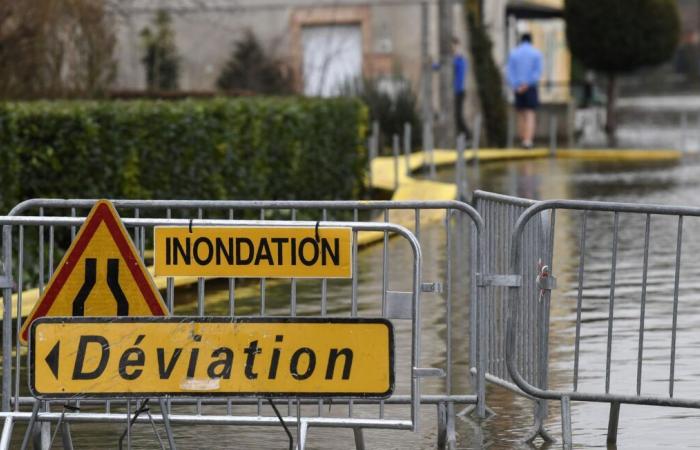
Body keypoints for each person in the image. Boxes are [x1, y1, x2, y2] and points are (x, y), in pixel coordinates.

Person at [507, 33, 543, 149]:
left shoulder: (514, 53)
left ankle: (522, 139)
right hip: (530, 87)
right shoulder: (536, 53)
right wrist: (527, 84)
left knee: (521, 114)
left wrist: (516, 85)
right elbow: (537, 73)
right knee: (530, 114)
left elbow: (509, 72)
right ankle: (528, 141)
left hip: (517, 87)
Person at [452, 37, 470, 139]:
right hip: (454, 91)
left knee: (458, 115)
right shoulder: (454, 60)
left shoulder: (460, 60)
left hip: (459, 91)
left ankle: (467, 136)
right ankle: (462, 137)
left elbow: (460, 72)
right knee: (456, 115)